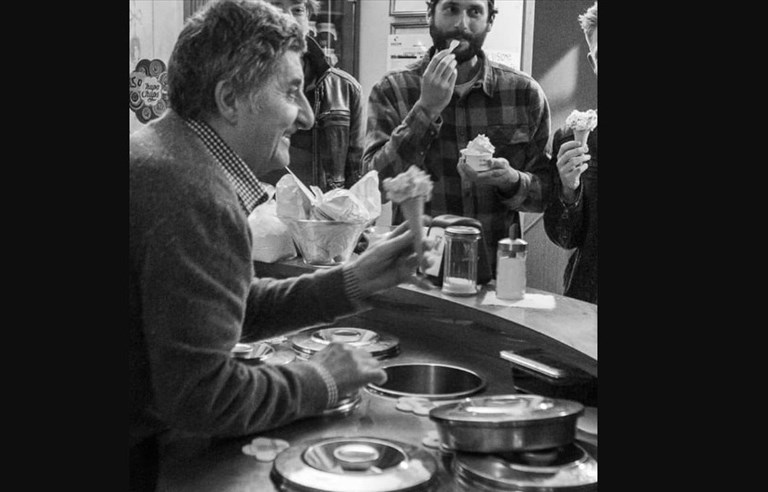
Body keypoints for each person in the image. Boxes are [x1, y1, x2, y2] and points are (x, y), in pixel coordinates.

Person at [129, 1, 426, 490]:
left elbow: (220, 309)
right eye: (292, 91)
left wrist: (353, 281)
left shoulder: (166, 153)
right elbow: (205, 397)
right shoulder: (192, 191)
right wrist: (321, 379)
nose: (308, 116)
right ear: (230, 99)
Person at [363, 0, 553, 271]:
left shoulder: (523, 93)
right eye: (451, 9)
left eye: (474, 12)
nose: (462, 24)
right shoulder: (393, 89)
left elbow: (546, 194)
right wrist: (425, 109)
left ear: (490, 21)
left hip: (495, 275)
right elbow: (373, 187)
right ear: (430, 13)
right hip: (417, 273)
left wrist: (512, 181)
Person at [260, 0, 364, 191]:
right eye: (274, 8)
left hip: (322, 218)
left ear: (308, 16)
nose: (287, 19)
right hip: (258, 214)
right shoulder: (241, 85)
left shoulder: (346, 89)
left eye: (297, 10)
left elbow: (355, 182)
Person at [543, 2, 598, 304]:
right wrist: (567, 189)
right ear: (593, 63)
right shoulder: (571, 138)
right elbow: (564, 238)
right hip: (589, 302)